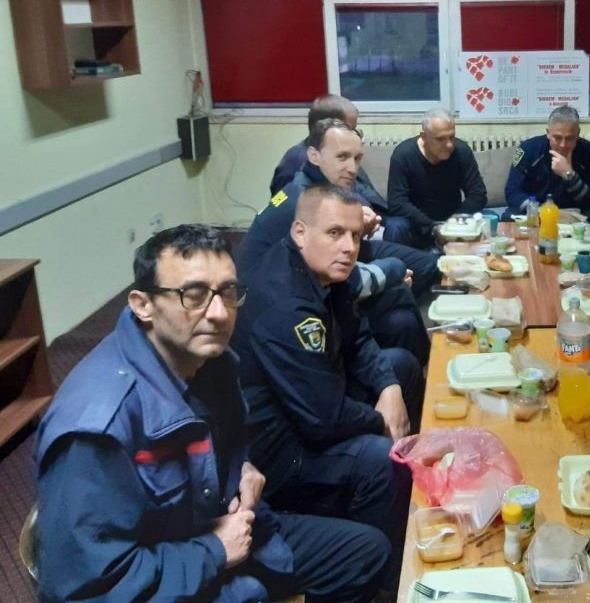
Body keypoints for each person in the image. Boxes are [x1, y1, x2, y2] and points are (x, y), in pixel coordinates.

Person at [34, 225, 389, 603]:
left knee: (365, 553)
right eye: (194, 295)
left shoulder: (206, 359)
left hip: (212, 529)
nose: (219, 314)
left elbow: (212, 451)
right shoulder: (96, 429)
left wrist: (240, 470)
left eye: (228, 292)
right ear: (142, 305)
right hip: (174, 568)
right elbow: (86, 588)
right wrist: (214, 550)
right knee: (249, 593)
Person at [233, 184, 423, 594]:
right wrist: (380, 420)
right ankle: (384, 580)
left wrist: (389, 387)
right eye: (335, 233)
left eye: (355, 235)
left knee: (400, 366)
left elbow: (358, 337)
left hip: (315, 400)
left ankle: (400, 495)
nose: (349, 247)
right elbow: (323, 420)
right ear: (300, 233)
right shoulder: (285, 303)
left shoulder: (327, 270)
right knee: (383, 459)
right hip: (279, 453)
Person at [240, 118, 432, 363]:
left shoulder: (313, 186)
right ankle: (426, 370)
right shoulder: (305, 200)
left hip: (312, 283)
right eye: (342, 157)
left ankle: (423, 370)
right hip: (279, 310)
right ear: (314, 156)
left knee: (401, 308)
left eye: (357, 158)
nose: (353, 168)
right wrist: (393, 270)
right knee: (398, 297)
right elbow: (347, 280)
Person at [269, 94, 388, 215]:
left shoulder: (339, 154)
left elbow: (362, 191)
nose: (352, 169)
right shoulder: (296, 163)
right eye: (350, 128)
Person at [385, 108, 487, 249]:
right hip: (417, 223)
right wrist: (432, 227)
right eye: (440, 139)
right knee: (395, 226)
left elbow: (478, 194)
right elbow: (397, 202)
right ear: (424, 136)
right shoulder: (403, 155)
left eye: (451, 137)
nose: (449, 144)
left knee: (488, 218)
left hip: (453, 222)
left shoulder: (461, 151)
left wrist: (453, 223)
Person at [504, 105, 590, 231]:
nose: (563, 145)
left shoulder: (589, 151)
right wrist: (536, 209)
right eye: (557, 138)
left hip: (575, 210)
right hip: (537, 209)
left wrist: (569, 175)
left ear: (577, 134)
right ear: (548, 133)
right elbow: (512, 191)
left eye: (569, 138)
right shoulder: (528, 150)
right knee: (508, 217)